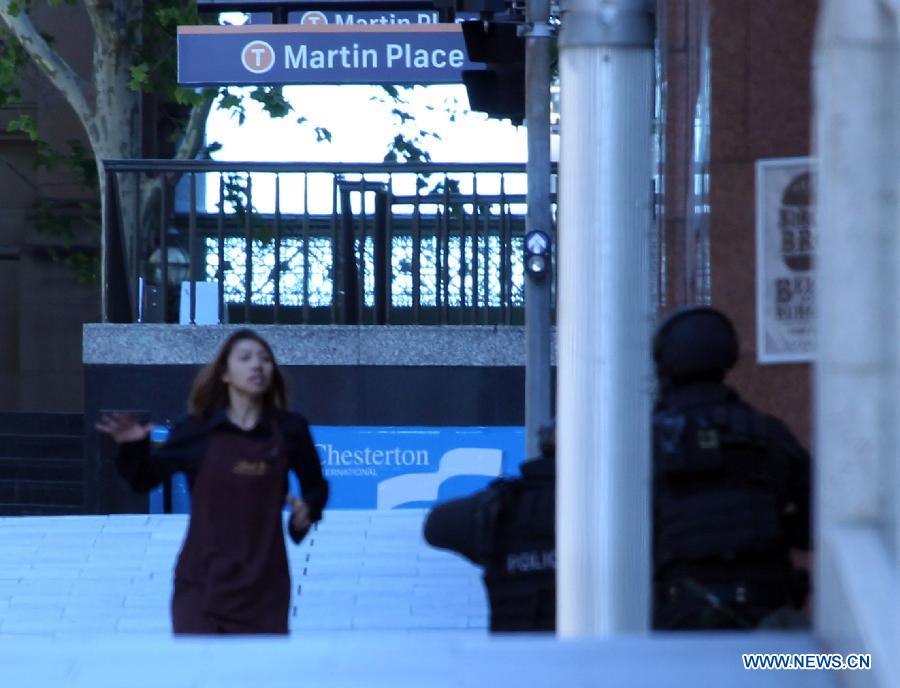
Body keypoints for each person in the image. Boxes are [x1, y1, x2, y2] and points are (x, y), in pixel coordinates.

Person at [96, 328, 328, 635]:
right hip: (202, 583)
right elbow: (142, 481)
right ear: (224, 374)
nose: (257, 365)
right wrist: (132, 447)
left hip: (265, 583)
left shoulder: (290, 429)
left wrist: (307, 511)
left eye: (265, 359)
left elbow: (316, 486)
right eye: (245, 358)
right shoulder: (195, 431)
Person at [651, 306, 811, 630]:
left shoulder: (646, 441)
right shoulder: (766, 433)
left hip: (680, 614)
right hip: (765, 612)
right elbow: (819, 518)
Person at [423, 424, 555, 632]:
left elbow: (436, 525)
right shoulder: (616, 509)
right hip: (611, 656)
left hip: (516, 657)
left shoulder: (504, 507)